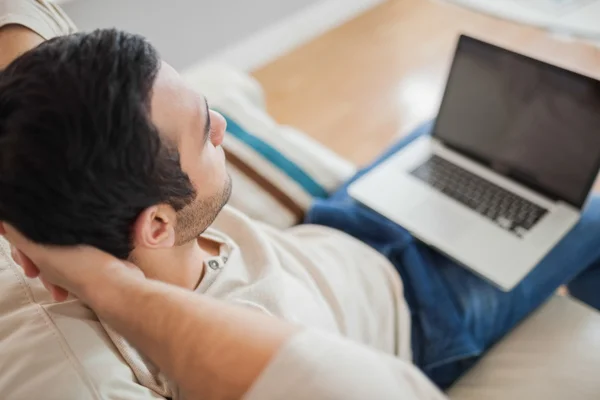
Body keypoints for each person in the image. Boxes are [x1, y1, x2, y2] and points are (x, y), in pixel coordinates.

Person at [2, 0, 600, 398]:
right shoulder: (217, 356)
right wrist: (111, 288)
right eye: (204, 128)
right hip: (427, 313)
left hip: (344, 222)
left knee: (480, 135)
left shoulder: (88, 189)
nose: (222, 130)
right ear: (155, 225)